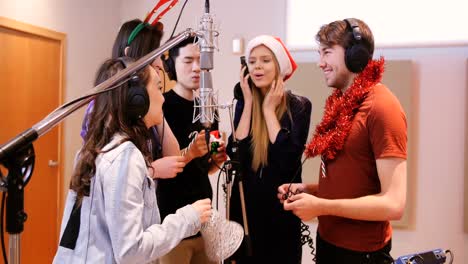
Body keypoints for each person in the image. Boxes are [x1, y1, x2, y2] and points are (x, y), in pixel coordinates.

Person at [53, 57, 212, 264]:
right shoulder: (125, 157)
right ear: (138, 100)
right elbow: (131, 251)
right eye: (157, 88)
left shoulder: (95, 148)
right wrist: (188, 218)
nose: (163, 98)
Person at [278, 18, 407, 264]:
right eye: (319, 53)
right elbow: (354, 184)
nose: (320, 63)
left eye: (327, 52)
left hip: (360, 255)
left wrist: (322, 207)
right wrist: (310, 192)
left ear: (354, 55)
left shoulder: (383, 108)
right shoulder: (341, 106)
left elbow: (394, 204)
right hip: (328, 244)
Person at [228, 35, 312, 263]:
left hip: (280, 221)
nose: (257, 66)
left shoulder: (299, 106)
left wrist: (267, 110)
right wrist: (247, 103)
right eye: (252, 61)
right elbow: (235, 155)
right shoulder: (243, 105)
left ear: (279, 66)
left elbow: (287, 158)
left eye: (265, 60)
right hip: (244, 218)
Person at [81, 19, 185, 179]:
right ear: (129, 55)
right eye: (154, 54)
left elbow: (173, 156)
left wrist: (156, 106)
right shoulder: (100, 106)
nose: (160, 64)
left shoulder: (143, 104)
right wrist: (152, 171)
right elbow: (102, 172)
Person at [156, 36, 227, 264]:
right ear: (172, 66)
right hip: (172, 221)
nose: (196, 68)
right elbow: (159, 168)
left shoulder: (209, 108)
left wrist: (218, 157)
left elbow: (210, 167)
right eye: (188, 61)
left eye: (199, 60)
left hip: (205, 220)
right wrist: (190, 152)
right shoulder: (161, 106)